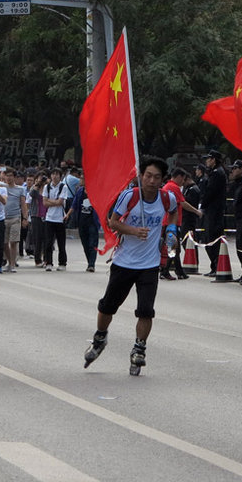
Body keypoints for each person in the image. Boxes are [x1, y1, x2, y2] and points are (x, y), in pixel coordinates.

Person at [83, 157, 178, 375]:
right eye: (147, 176)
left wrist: (171, 231)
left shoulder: (166, 197)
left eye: (156, 177)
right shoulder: (130, 196)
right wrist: (134, 231)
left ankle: (139, 349)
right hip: (124, 262)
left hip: (150, 264)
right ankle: (99, 338)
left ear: (162, 180)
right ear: (141, 176)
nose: (151, 181)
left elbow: (174, 210)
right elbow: (113, 221)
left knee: (146, 310)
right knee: (108, 306)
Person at [199, 149, 226, 276]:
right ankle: (214, 266)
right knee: (209, 239)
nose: (207, 161)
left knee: (213, 239)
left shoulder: (217, 173)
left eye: (209, 159)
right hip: (212, 210)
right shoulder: (214, 173)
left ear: (214, 160)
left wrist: (202, 205)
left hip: (214, 211)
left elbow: (210, 192)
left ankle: (216, 265)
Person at [69, 173, 100, 272]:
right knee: (85, 243)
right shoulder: (80, 192)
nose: (80, 180)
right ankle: (89, 262)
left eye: (82, 178)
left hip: (92, 222)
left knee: (93, 243)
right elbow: (74, 205)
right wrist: (68, 215)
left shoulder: (95, 191)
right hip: (82, 221)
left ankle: (92, 264)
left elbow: (101, 206)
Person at [42, 168, 69, 271]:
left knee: (61, 242)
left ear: (60, 176)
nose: (55, 176)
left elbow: (60, 202)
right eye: (53, 174)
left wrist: (50, 200)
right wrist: (54, 201)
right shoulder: (47, 187)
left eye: (57, 174)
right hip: (49, 218)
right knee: (48, 242)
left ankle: (62, 263)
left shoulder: (63, 187)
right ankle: (48, 262)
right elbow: (44, 203)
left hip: (60, 218)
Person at [2, 169, 27, 273]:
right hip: (3, 218)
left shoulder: (20, 189)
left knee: (13, 242)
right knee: (4, 243)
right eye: (7, 176)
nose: (9, 178)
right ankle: (8, 261)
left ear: (14, 177)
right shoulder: (2, 187)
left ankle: (12, 264)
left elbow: (23, 204)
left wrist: (25, 218)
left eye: (11, 176)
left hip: (15, 217)